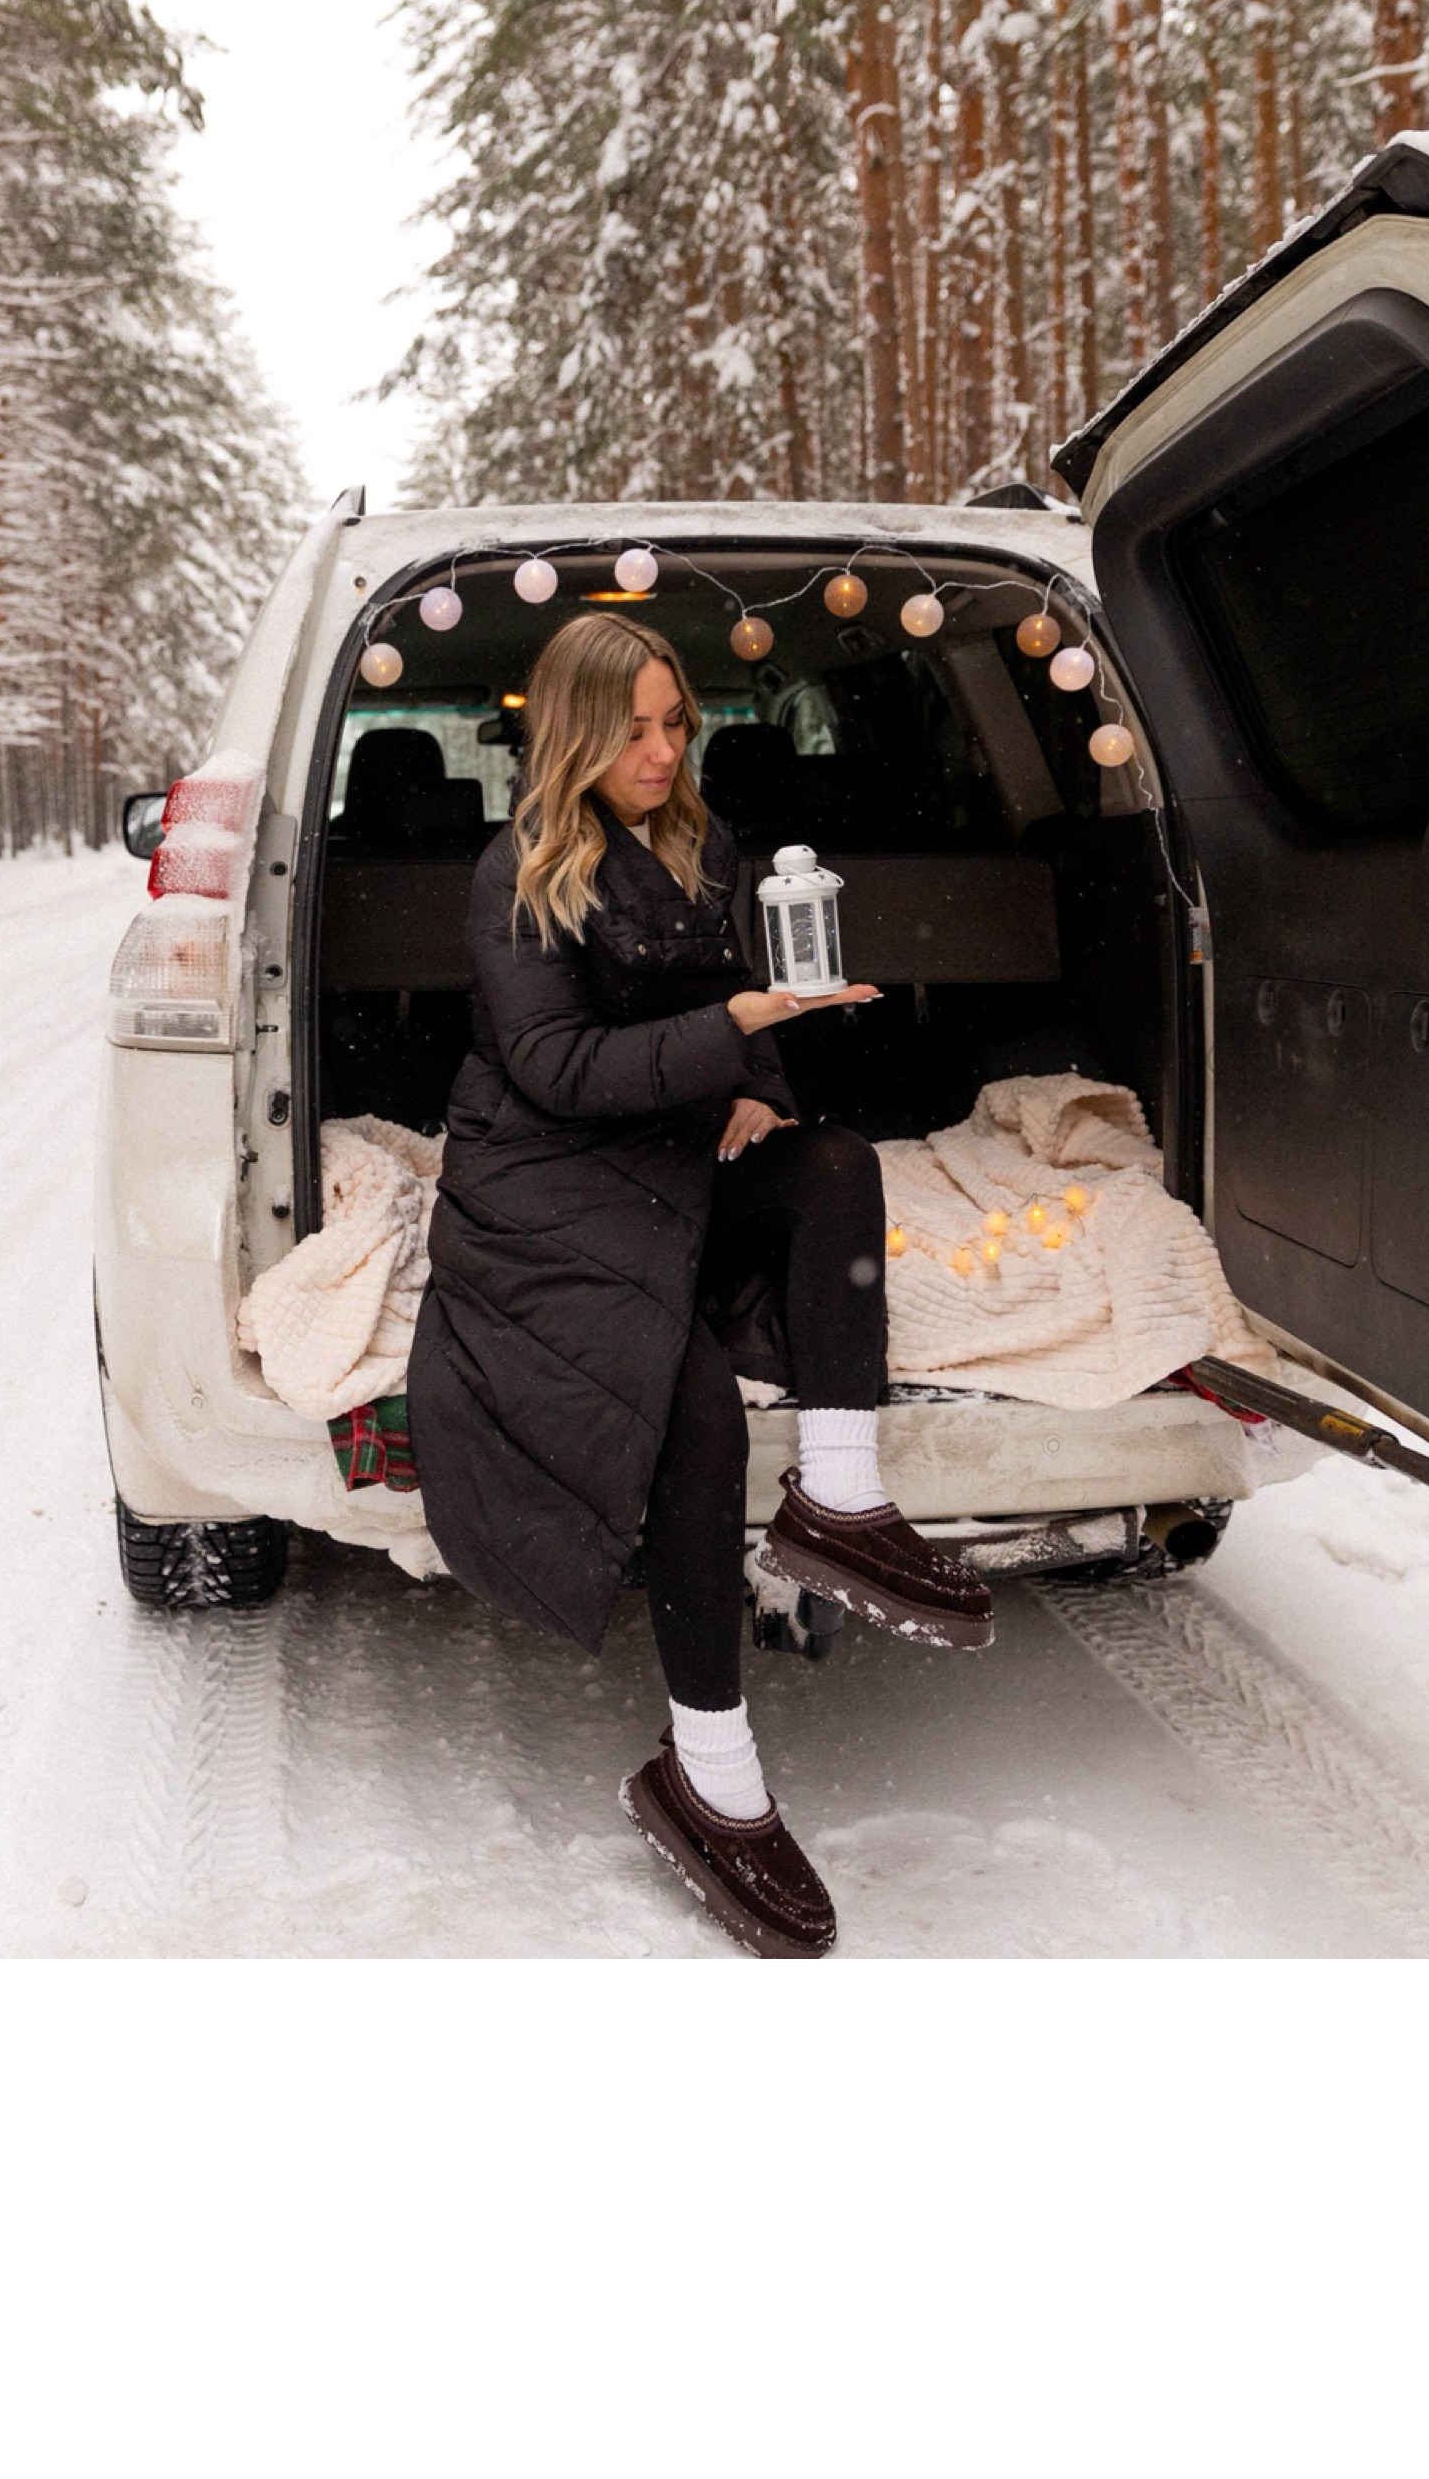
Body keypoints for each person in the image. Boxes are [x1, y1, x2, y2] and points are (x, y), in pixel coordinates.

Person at [406, 610, 994, 1959]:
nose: (663, 751)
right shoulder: (516, 871)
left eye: (677, 723)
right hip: (548, 1180)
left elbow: (742, 1001)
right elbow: (555, 1069)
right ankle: (710, 1777)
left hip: (678, 1143)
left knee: (834, 1165)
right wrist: (729, 1033)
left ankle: (838, 1497)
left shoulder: (701, 843)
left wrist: (758, 1086)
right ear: (575, 733)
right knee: (689, 1409)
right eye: (634, 730)